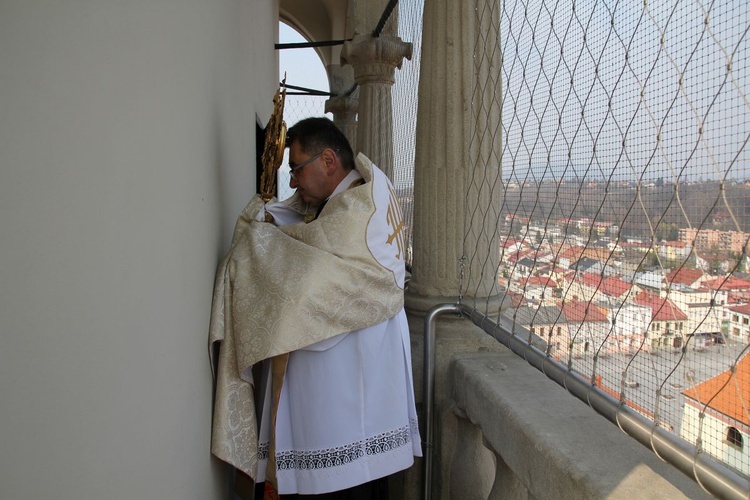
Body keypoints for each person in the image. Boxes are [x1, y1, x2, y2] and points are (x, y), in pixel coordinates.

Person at [209, 117, 421, 499]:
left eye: (296, 169)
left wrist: (257, 243)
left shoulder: (354, 216)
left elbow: (302, 275)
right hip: (371, 371)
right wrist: (271, 217)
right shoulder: (361, 194)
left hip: (340, 381)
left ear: (327, 161)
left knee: (339, 483)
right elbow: (311, 224)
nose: (292, 183)